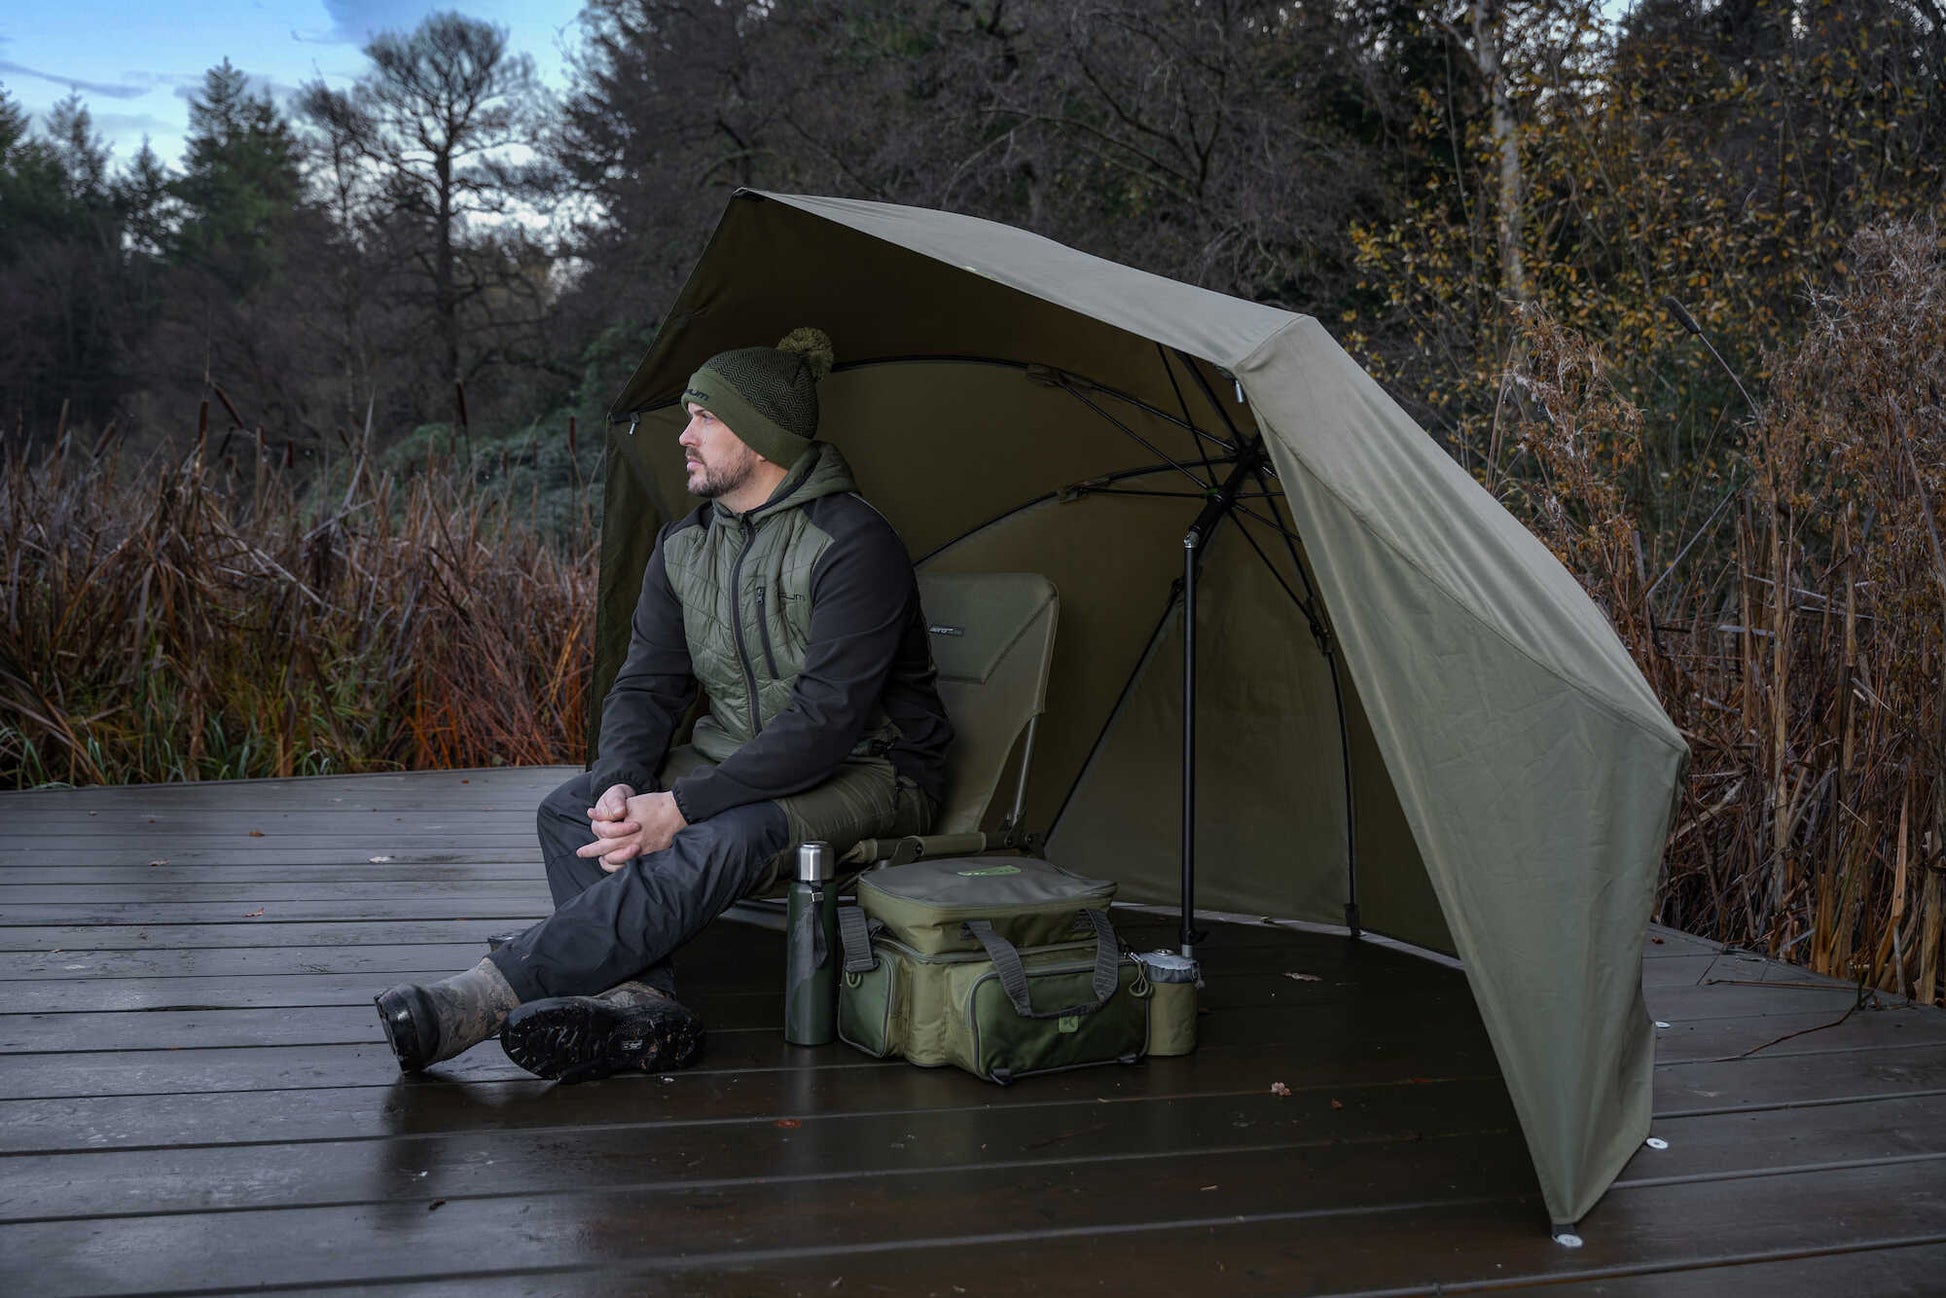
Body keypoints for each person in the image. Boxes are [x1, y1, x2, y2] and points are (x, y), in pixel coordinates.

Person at [374, 327, 953, 1081]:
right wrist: (620, 778)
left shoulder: (852, 544)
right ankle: (643, 1006)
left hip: (872, 772)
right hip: (739, 755)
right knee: (572, 807)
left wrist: (681, 806)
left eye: (704, 418)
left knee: (726, 834)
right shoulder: (686, 545)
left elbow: (826, 722)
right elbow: (647, 682)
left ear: (760, 432)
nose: (684, 436)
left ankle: (486, 995)